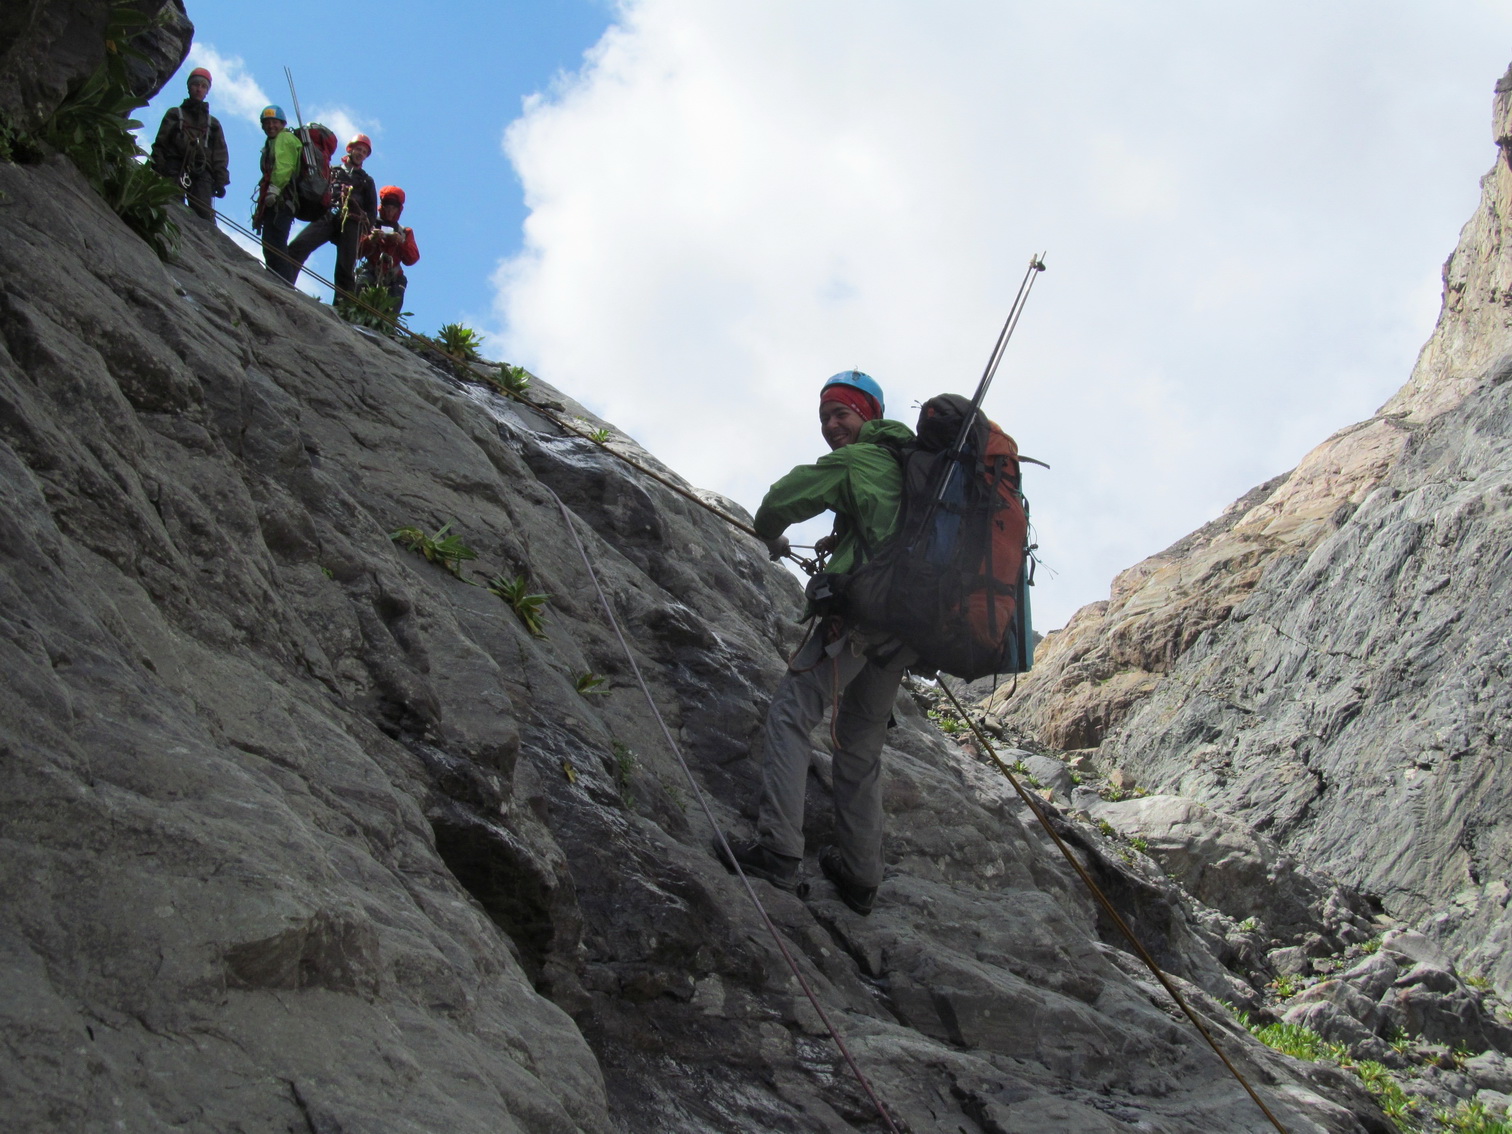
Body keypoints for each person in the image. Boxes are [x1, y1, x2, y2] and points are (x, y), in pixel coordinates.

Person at [718, 371, 917, 916]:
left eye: (842, 414)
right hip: (904, 630)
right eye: (826, 417)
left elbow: (781, 498)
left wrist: (770, 534)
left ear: (868, 416)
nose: (832, 426)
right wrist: (845, 534)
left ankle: (778, 850)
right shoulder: (906, 466)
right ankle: (860, 875)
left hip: (859, 618)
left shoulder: (856, 463)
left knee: (790, 713)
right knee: (859, 743)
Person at [287, 133, 377, 298]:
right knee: (299, 245)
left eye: (364, 152)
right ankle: (284, 281)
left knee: (346, 268)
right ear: (350, 149)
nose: (360, 153)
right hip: (329, 214)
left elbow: (372, 212)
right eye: (358, 149)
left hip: (352, 222)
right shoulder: (333, 171)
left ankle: (344, 309)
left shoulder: (366, 181)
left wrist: (365, 228)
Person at [149, 66, 229, 222]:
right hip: (174, 167)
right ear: (189, 87)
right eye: (196, 85)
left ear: (207, 91)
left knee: (204, 216)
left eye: (204, 86)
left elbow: (220, 154)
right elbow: (160, 143)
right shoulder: (174, 114)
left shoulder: (213, 124)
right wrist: (158, 166)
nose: (199, 89)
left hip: (202, 171)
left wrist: (220, 180)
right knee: (169, 207)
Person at [254, 105, 302, 284]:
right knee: (271, 242)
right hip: (281, 200)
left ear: (282, 124)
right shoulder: (272, 143)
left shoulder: (284, 138)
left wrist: (274, 189)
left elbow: (285, 166)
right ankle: (278, 280)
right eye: (267, 123)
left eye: (274, 122)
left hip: (282, 199)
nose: (270, 126)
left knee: (275, 242)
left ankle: (283, 283)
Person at [355, 185, 420, 308]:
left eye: (393, 208)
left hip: (394, 278)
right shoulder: (370, 225)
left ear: (398, 210)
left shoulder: (405, 232)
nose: (390, 211)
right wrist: (370, 240)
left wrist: (401, 242)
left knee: (393, 303)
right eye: (387, 207)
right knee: (360, 289)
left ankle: (388, 323)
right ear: (382, 207)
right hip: (371, 271)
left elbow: (412, 258)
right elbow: (355, 252)